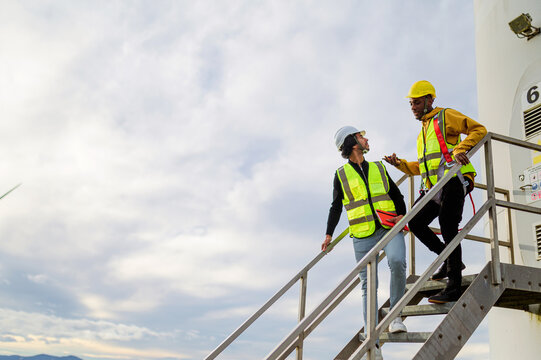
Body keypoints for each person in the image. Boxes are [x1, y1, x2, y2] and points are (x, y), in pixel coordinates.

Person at [383, 80, 487, 304]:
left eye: (417, 102)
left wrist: (461, 148)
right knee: (416, 222)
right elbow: (422, 167)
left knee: (447, 224)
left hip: (455, 179)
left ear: (430, 100)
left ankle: (454, 286)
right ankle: (451, 261)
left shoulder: (445, 116)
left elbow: (479, 129)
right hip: (434, 187)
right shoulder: (423, 132)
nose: (413, 107)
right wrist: (399, 164)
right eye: (411, 104)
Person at [323, 126, 408, 354]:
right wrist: (329, 233)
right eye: (362, 136)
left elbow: (396, 194)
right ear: (353, 143)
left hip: (389, 226)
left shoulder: (379, 167)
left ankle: (396, 315)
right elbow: (336, 206)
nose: (366, 139)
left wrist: (403, 215)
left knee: (398, 262)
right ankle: (374, 343)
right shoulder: (341, 175)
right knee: (368, 286)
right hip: (362, 235)